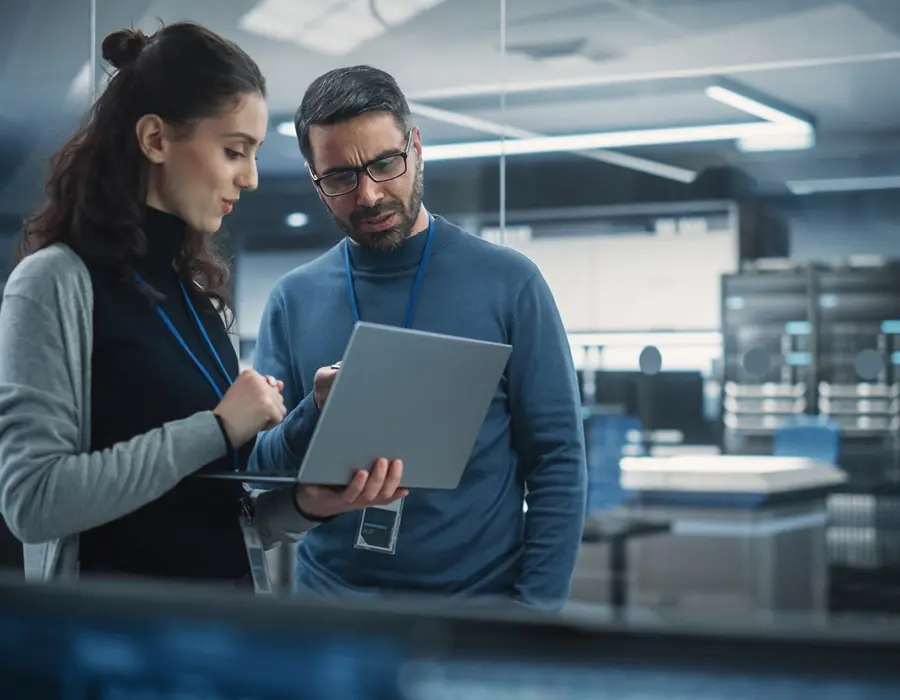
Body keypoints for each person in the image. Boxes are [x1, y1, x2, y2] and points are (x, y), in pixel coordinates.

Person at [0, 25, 402, 585]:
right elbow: (32, 502)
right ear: (155, 140)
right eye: (234, 150)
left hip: (221, 633)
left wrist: (308, 505)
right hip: (111, 648)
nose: (253, 177)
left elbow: (219, 520)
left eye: (255, 154)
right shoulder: (54, 284)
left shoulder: (203, 304)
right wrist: (216, 429)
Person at [250, 65, 587, 611]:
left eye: (385, 163)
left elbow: (557, 459)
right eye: (339, 177)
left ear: (416, 147)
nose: (369, 194)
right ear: (315, 181)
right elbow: (261, 469)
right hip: (332, 612)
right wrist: (314, 411)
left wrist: (534, 612)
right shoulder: (294, 300)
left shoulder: (509, 283)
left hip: (477, 611)